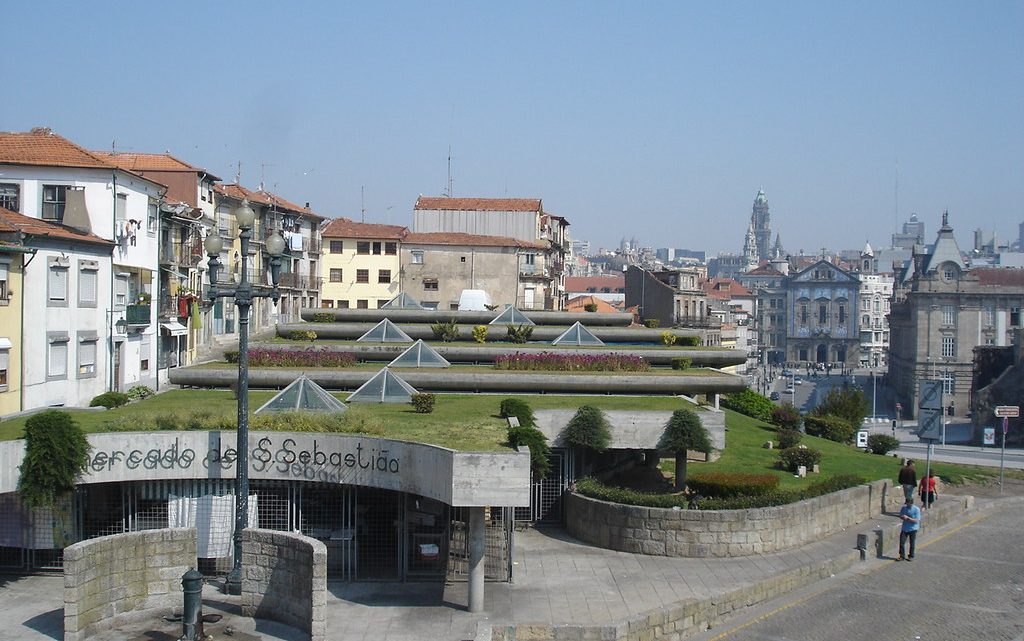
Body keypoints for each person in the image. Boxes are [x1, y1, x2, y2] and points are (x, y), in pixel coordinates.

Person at [898, 497, 921, 561]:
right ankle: (902, 556)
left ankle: (911, 556)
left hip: (913, 528)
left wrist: (908, 518)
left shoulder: (916, 509)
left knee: (912, 543)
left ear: (911, 503)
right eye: (906, 503)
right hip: (905, 528)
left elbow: (916, 520)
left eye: (908, 504)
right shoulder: (904, 508)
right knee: (902, 542)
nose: (907, 505)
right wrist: (902, 517)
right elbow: (901, 516)